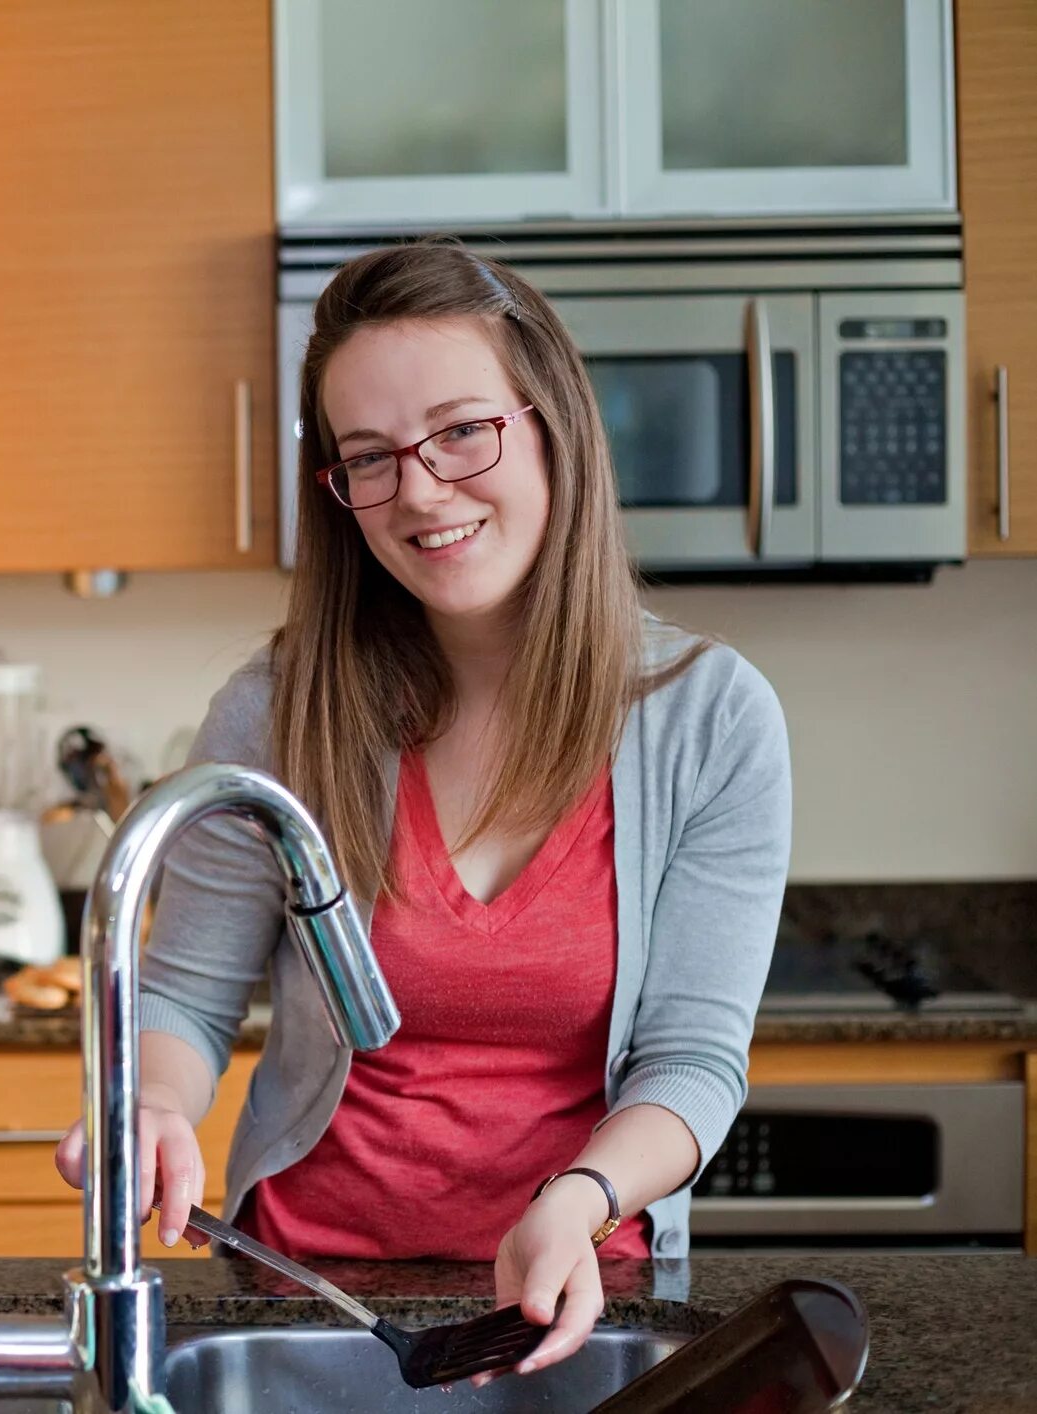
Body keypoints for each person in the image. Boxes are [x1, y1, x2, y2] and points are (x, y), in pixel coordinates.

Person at [54, 241, 790, 1379]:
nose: (422, 491)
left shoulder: (710, 719)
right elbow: (191, 995)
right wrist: (151, 1104)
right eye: (370, 457)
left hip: (581, 1286)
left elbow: (692, 1060)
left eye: (461, 431)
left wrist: (580, 1198)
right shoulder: (276, 710)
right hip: (314, 1297)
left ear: (550, 424)